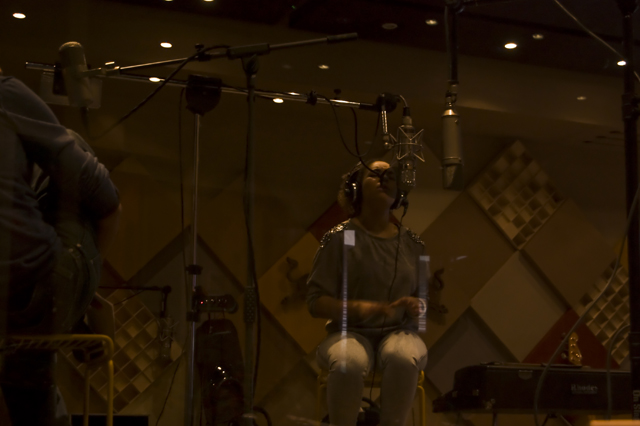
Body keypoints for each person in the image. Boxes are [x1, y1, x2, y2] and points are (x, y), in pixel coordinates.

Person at [0, 75, 121, 426]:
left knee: (27, 361)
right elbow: (110, 206)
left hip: (16, 300)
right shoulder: (5, 93)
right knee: (71, 144)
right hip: (38, 288)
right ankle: (65, 311)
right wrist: (83, 291)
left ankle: (56, 321)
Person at [307, 160, 428, 426]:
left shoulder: (414, 244)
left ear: (399, 194)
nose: (384, 179)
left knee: (402, 357)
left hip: (400, 332)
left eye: (390, 176)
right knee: (348, 361)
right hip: (347, 333)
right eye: (375, 174)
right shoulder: (337, 238)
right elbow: (315, 302)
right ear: (355, 189)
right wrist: (357, 308)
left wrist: (417, 306)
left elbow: (424, 302)